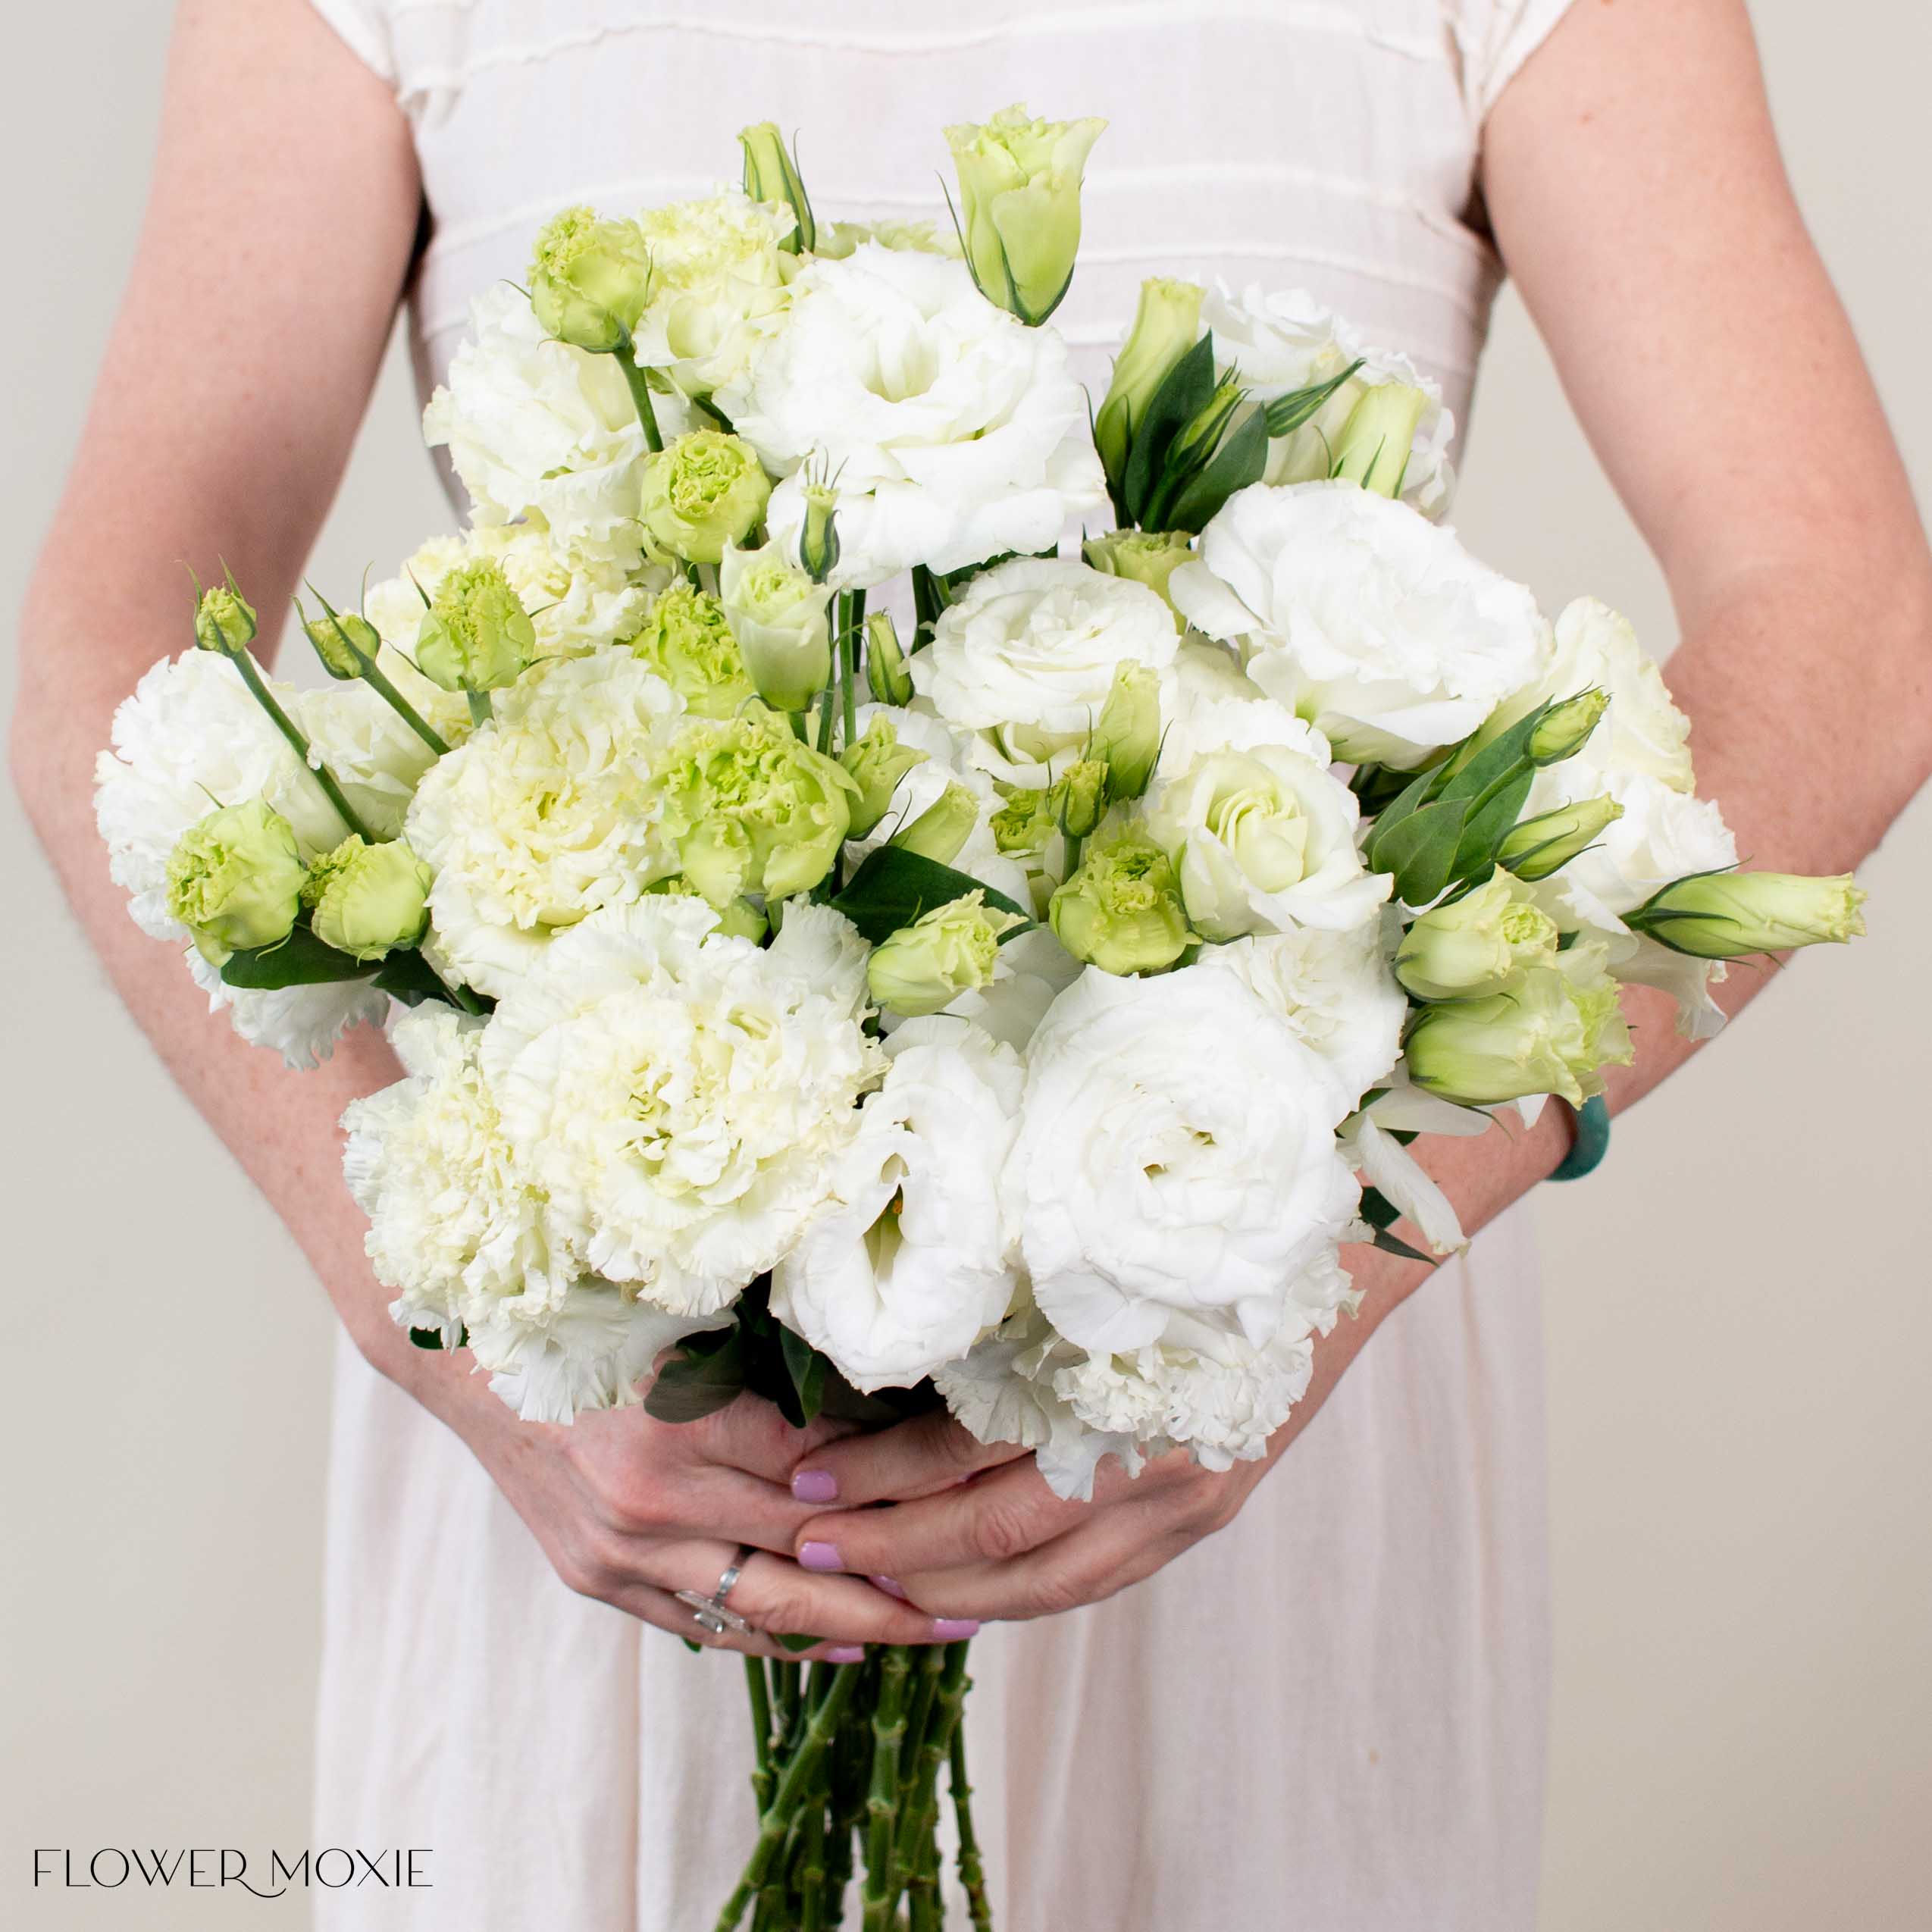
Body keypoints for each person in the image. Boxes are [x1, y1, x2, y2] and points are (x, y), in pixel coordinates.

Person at [13, 1, 1929, 1926]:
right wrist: (437, 1322)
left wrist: (1314, 1264)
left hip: (1237, 1324)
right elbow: (111, 645)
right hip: (618, 1400)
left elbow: (1844, 613)